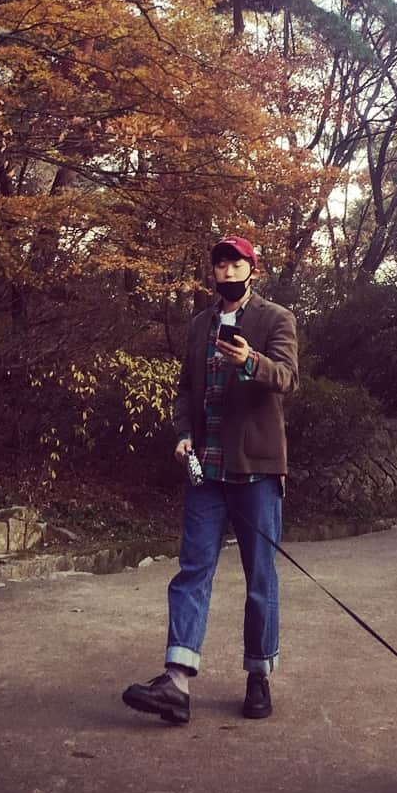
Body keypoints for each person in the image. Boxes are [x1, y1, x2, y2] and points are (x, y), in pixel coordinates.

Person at [122, 235, 299, 725]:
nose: (224, 270)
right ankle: (176, 682)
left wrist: (250, 361)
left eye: (233, 262)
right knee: (192, 570)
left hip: (257, 471)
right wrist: (182, 435)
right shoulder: (199, 324)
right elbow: (185, 390)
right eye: (219, 263)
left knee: (260, 578)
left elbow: (287, 377)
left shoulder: (275, 319)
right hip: (207, 470)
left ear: (251, 269)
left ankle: (258, 675)